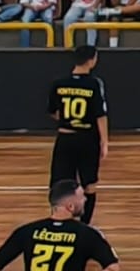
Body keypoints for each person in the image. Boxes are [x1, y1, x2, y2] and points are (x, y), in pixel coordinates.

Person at [0, 179, 120, 271]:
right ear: (70, 206)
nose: (85, 199)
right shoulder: (88, 235)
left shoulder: (26, 231)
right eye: (81, 197)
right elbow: (112, 268)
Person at [47, 44, 108, 224]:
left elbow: (52, 111)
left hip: (65, 137)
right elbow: (100, 115)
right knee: (89, 183)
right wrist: (105, 141)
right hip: (87, 138)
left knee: (60, 183)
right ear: (92, 60)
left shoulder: (59, 83)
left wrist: (67, 119)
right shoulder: (93, 83)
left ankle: (58, 221)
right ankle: (85, 224)